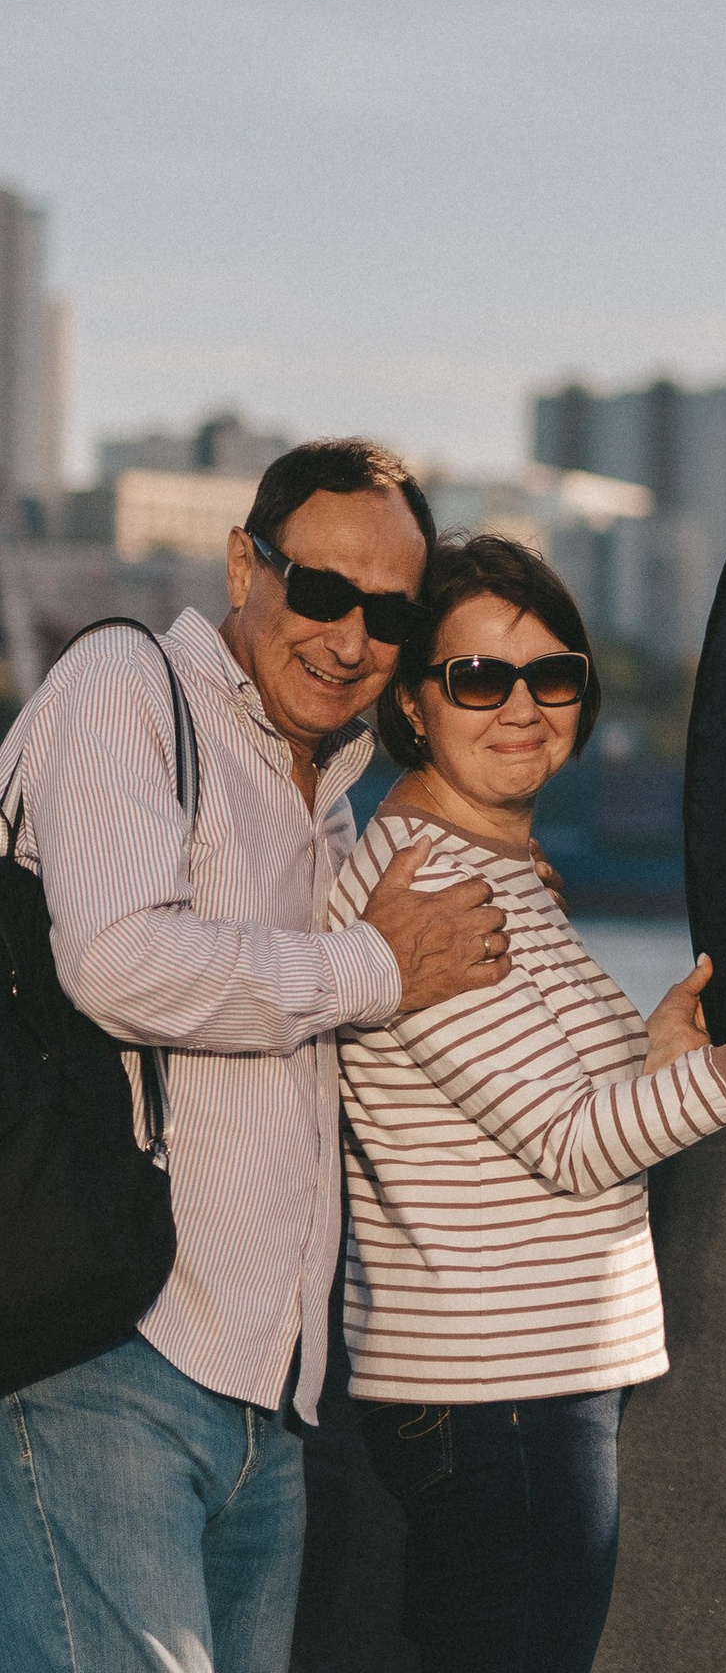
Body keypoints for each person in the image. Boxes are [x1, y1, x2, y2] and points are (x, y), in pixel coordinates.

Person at [328, 533, 726, 1673]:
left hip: (527, 1391)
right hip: (495, 1400)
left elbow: (552, 1106)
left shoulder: (500, 869)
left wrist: (660, 1050)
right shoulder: (428, 885)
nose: (522, 707)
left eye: (551, 674)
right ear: (414, 706)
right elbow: (573, 1147)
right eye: (477, 678)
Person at [0, 441, 517, 1673]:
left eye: (387, 612)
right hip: (105, 1355)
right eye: (320, 591)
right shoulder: (129, 685)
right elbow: (121, 962)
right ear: (246, 563)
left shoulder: (329, 797)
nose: (348, 638)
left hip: (265, 1403)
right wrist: (375, 965)